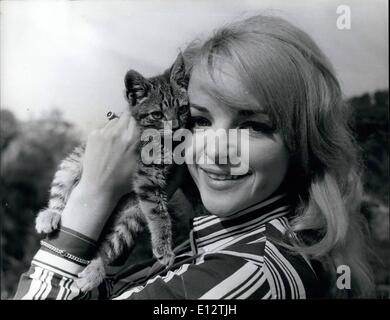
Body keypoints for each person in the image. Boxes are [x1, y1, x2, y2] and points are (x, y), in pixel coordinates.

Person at [14, 14, 374, 300]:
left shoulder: (246, 274)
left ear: (303, 143)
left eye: (252, 126)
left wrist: (93, 194)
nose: (214, 148)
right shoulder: (216, 241)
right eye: (200, 120)